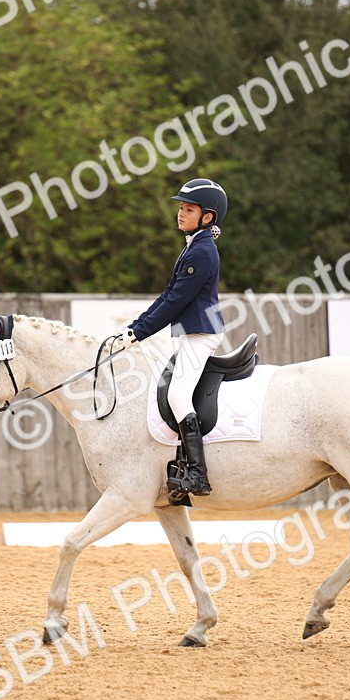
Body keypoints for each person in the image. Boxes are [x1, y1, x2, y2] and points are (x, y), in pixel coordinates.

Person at [118, 178, 228, 496]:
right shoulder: (194, 245)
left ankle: (198, 474)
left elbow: (175, 302)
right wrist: (134, 327)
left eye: (188, 208)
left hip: (200, 334)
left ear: (207, 216)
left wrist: (138, 333)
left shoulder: (202, 252)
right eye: (181, 207)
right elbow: (168, 294)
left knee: (178, 396)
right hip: (190, 332)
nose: (181, 213)